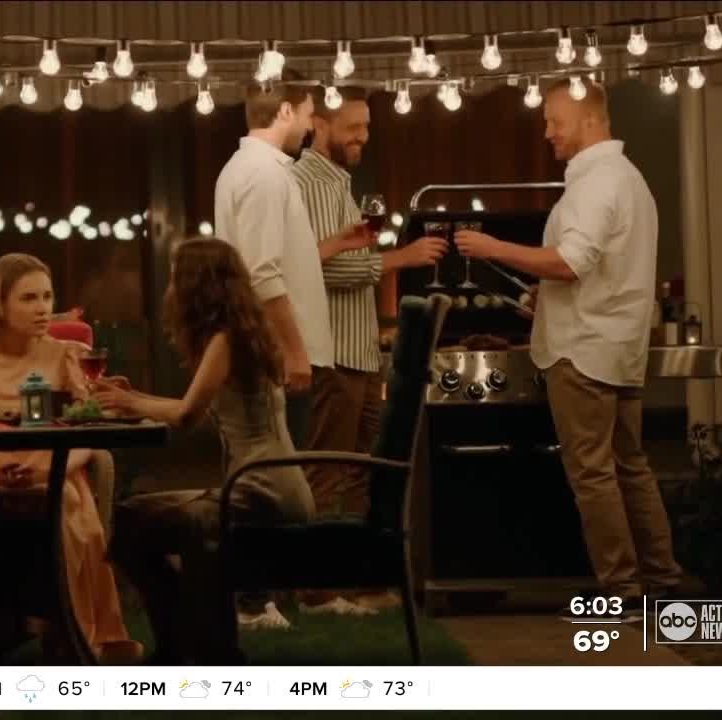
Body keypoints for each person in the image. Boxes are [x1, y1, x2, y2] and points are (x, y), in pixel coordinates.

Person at [454, 78, 682, 619]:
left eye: (556, 120)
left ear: (590, 119)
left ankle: (622, 594)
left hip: (583, 353)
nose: (548, 132)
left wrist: (491, 247)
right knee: (630, 467)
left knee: (593, 475)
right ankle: (664, 584)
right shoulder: (627, 178)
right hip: (617, 347)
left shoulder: (596, 183)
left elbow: (569, 262)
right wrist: (545, 297)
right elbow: (598, 271)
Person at [95, 238, 316, 663]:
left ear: (196, 285)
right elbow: (192, 405)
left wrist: (131, 404)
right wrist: (132, 397)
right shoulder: (243, 333)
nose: (169, 289)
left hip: (261, 491)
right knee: (135, 520)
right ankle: (194, 644)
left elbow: (185, 415)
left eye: (174, 277)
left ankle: (195, 646)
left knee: (135, 523)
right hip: (266, 486)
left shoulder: (226, 340)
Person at [291, 86, 448, 616]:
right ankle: (314, 590)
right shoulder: (310, 182)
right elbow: (320, 269)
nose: (362, 136)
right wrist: (400, 258)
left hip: (358, 350)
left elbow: (346, 259)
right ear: (319, 125)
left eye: (366, 127)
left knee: (362, 472)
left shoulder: (339, 181)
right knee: (326, 470)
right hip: (332, 352)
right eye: (352, 127)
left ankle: (353, 583)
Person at [0, 253, 141, 662]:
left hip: (58, 468)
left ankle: (74, 635)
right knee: (54, 503)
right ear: (0, 303)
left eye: (47, 297)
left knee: (64, 500)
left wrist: (53, 469)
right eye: (29, 298)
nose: (43, 308)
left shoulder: (67, 356)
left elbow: (87, 431)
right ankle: (45, 633)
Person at [213, 68, 330, 631]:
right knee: (266, 482)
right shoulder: (262, 175)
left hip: (265, 349)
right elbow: (262, 274)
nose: (311, 125)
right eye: (307, 113)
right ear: (285, 111)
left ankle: (262, 597)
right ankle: (252, 602)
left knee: (265, 477)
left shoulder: (254, 170)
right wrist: (295, 351)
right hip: (270, 354)